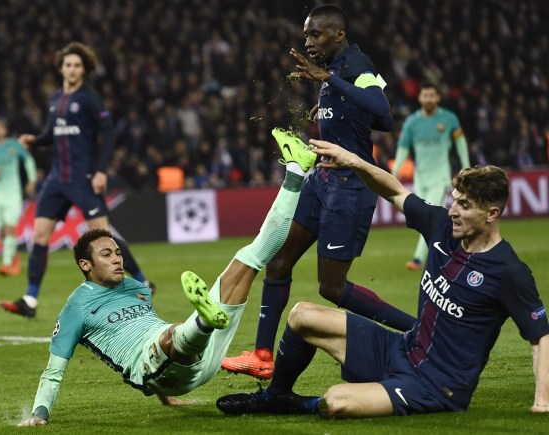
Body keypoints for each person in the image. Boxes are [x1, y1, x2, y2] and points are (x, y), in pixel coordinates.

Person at [216, 139, 549, 418]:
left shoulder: (508, 271)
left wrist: (542, 402)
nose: (453, 211)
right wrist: (352, 160)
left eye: (464, 205)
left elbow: (541, 337)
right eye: (454, 201)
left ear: (492, 214)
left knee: (336, 400)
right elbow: (394, 190)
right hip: (402, 350)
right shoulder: (440, 226)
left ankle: (301, 406)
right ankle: (275, 397)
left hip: (437, 386)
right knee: (302, 315)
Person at [17, 128, 317, 426]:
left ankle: (295, 172)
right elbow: (53, 370)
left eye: (117, 252)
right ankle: (203, 321)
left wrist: (166, 399)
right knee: (170, 334)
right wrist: (39, 415)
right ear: (86, 265)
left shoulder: (134, 287)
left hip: (197, 358)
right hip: (152, 366)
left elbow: (147, 328)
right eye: (106, 255)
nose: (118, 258)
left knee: (249, 257)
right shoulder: (77, 306)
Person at [222, 4, 415, 379]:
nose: (308, 41)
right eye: (306, 34)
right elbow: (364, 112)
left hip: (350, 186)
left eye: (316, 34)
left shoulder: (357, 65)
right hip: (320, 181)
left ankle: (420, 330)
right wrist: (330, 101)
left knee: (332, 287)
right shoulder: (335, 70)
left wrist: (331, 81)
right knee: (277, 262)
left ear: (339, 34)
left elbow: (384, 115)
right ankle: (262, 355)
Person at [0, 42, 153, 318]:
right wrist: (35, 139)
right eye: (68, 64)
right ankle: (30, 300)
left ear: (84, 70)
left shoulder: (90, 98)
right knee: (39, 236)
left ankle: (142, 281)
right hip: (57, 180)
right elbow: (52, 133)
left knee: (104, 239)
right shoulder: (54, 99)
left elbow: (108, 134)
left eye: (77, 65)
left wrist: (101, 170)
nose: (72, 69)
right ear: (61, 68)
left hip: (83, 177)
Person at [392, 82, 470, 270]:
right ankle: (453, 250)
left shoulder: (449, 118)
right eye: (425, 95)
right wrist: (396, 171)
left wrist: (466, 166)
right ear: (420, 98)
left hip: (440, 177)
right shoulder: (412, 122)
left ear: (437, 98)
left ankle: (418, 258)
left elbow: (460, 143)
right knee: (428, 219)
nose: (428, 98)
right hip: (421, 178)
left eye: (431, 95)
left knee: (430, 216)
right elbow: (403, 148)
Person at [0, 117, 37, 276]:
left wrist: (31, 179)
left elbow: (28, 161)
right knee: (3, 230)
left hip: (13, 193)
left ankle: (6, 263)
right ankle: (14, 255)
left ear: (5, 130)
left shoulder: (14, 145)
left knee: (11, 227)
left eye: (0, 128)